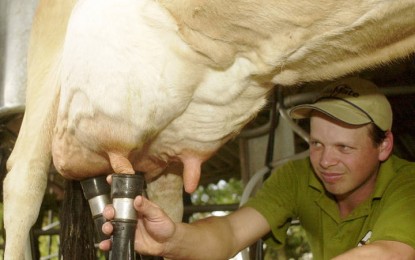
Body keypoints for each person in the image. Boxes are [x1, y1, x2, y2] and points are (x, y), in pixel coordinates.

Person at [99, 77, 415, 259]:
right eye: (316, 143)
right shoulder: (299, 176)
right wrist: (173, 240)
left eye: (344, 148)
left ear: (384, 145)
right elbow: (232, 231)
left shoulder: (408, 183)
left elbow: (391, 253)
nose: (325, 160)